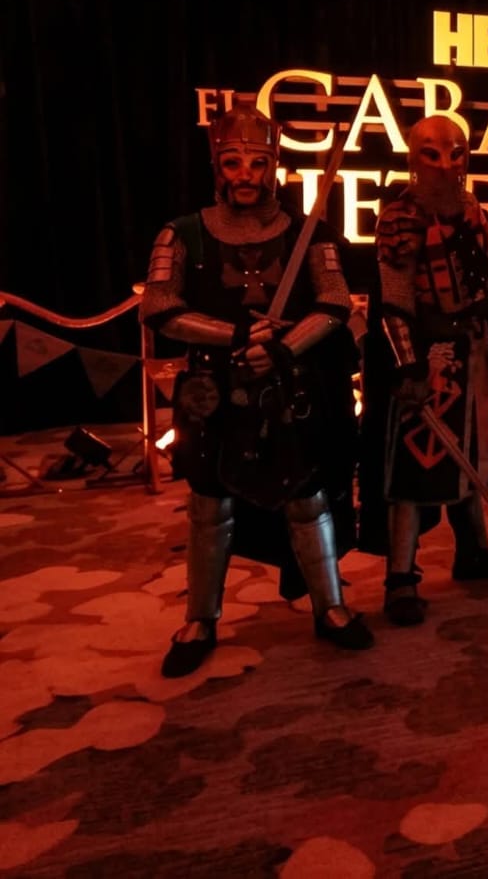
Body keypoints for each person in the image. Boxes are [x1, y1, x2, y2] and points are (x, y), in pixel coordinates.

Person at [141, 102, 372, 676]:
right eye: (233, 162)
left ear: (273, 167)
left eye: (257, 163)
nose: (245, 174)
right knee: (208, 501)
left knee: (306, 493)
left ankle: (330, 607)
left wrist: (284, 347)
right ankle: (200, 618)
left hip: (289, 384)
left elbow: (334, 303)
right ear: (217, 167)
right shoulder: (181, 234)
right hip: (212, 389)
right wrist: (236, 335)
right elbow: (160, 309)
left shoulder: (310, 233)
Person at [374, 115, 488, 626]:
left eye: (455, 153)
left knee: (471, 457)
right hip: (430, 354)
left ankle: (473, 551)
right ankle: (400, 577)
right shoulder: (400, 217)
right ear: (413, 158)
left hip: (474, 350)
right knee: (416, 465)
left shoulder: (472, 209)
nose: (445, 164)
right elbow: (394, 303)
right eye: (432, 153)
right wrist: (408, 367)